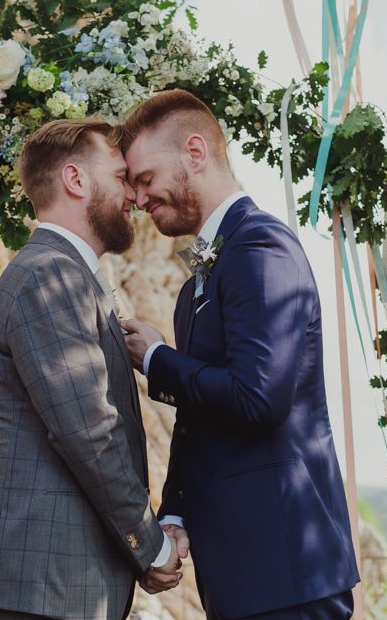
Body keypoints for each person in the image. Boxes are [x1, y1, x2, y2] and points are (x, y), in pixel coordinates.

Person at [120, 89, 360, 620]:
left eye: (144, 178)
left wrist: (157, 359)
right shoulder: (194, 287)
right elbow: (199, 415)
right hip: (238, 570)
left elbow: (259, 397)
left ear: (195, 153)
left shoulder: (260, 246)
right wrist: (177, 511)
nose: (138, 199)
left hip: (285, 566)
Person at [0, 118, 187, 620]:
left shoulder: (63, 272)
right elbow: (91, 433)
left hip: (55, 585)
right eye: (121, 175)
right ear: (76, 180)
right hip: (42, 586)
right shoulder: (50, 275)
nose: (134, 194)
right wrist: (149, 545)